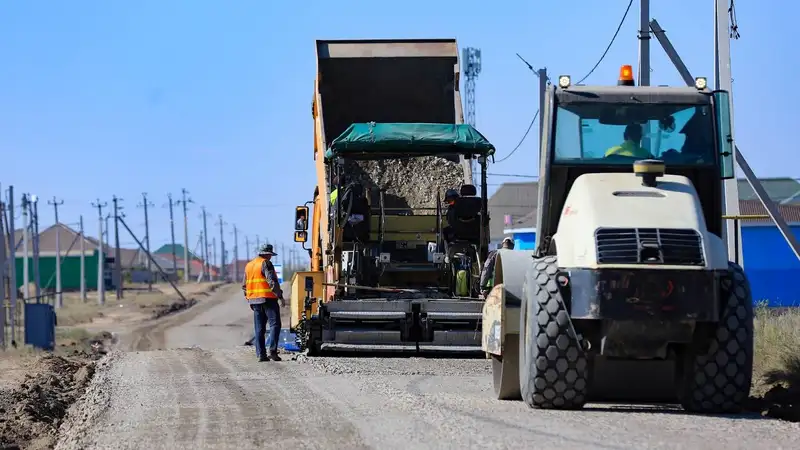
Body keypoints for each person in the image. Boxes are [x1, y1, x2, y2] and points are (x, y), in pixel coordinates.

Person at [242, 244, 285, 362]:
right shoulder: (265, 263)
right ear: (267, 254)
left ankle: (261, 354)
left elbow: (244, 286)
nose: (271, 257)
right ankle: (272, 351)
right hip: (268, 299)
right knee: (275, 325)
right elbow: (271, 280)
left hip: (255, 300)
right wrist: (280, 296)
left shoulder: (249, 265)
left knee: (259, 328)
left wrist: (249, 299)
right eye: (270, 254)